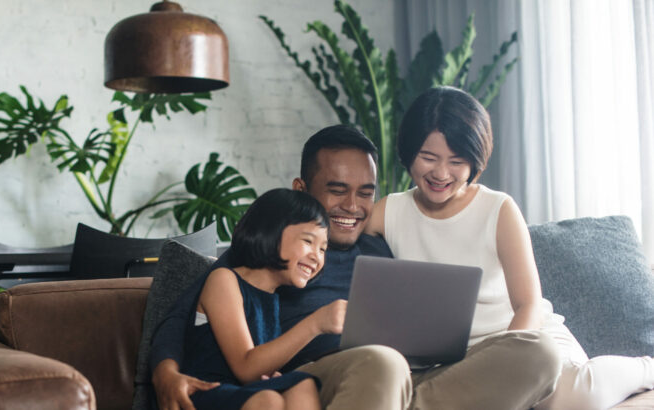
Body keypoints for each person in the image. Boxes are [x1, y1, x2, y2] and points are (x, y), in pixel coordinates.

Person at [150, 124, 560, 410]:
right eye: (337, 191)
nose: (353, 207)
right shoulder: (278, 250)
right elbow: (182, 311)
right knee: (381, 361)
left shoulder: (383, 246)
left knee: (540, 354)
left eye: (365, 193)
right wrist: (165, 373)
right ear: (302, 190)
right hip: (327, 377)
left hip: (411, 375)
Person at [365, 85, 654, 410]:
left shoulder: (497, 209)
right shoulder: (389, 211)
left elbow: (528, 305)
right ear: (408, 152)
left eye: (456, 161)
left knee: (575, 398)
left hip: (521, 339)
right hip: (448, 360)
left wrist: (506, 364)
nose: (441, 173)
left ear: (474, 161)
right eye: (428, 158)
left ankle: (645, 368)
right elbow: (332, 245)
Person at [175, 188, 340, 410]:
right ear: (270, 231)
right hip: (203, 393)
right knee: (268, 400)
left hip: (242, 394)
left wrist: (272, 375)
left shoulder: (272, 299)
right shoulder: (224, 280)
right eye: (308, 241)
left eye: (323, 249)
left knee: (302, 384)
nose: (316, 256)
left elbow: (257, 371)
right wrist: (317, 323)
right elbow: (246, 367)